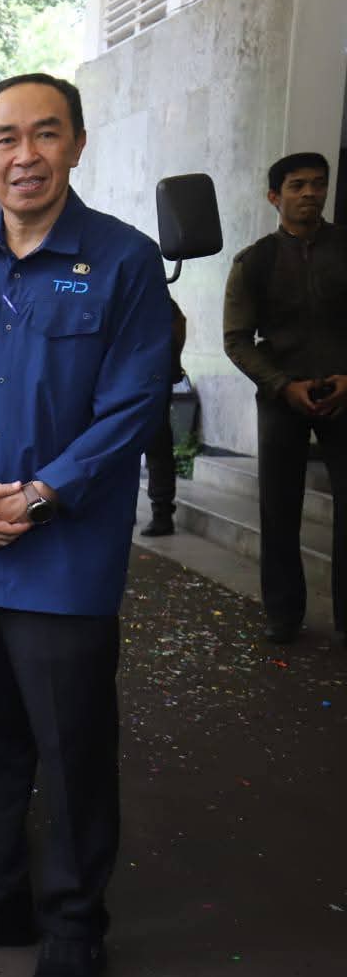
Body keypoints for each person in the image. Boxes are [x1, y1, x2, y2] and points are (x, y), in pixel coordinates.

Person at [0, 73, 172, 977]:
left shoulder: (124, 264)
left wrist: (40, 496)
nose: (26, 155)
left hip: (64, 557)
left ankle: (73, 922)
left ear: (77, 146)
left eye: (45, 135)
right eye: (6, 139)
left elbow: (133, 406)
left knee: (73, 747)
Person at [222, 152, 347, 646]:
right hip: (282, 397)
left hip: (344, 395)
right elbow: (236, 339)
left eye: (318, 184)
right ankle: (283, 614)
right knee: (279, 509)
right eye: (297, 186)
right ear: (275, 197)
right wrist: (281, 385)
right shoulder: (256, 261)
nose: (310, 194)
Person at [140, 298, 187, 536]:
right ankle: (161, 513)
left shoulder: (154, 294)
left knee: (157, 445)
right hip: (148, 377)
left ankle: (162, 513)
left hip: (151, 378)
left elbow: (177, 326)